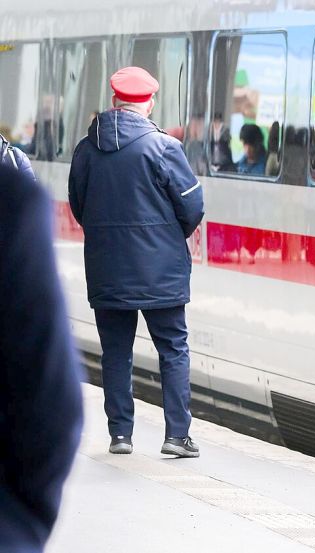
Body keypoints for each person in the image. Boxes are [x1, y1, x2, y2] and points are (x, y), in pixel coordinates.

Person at [68, 66, 204, 458]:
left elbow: (80, 206)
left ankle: (121, 435)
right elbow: (192, 206)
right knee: (173, 348)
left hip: (107, 266)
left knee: (116, 352)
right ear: (149, 103)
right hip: (161, 269)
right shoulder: (164, 148)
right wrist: (165, 237)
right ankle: (177, 436)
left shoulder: (85, 149)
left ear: (114, 102)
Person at [0, 165, 84, 553]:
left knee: (118, 350)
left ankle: (124, 428)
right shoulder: (10, 198)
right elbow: (53, 410)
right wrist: (20, 521)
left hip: (109, 277)